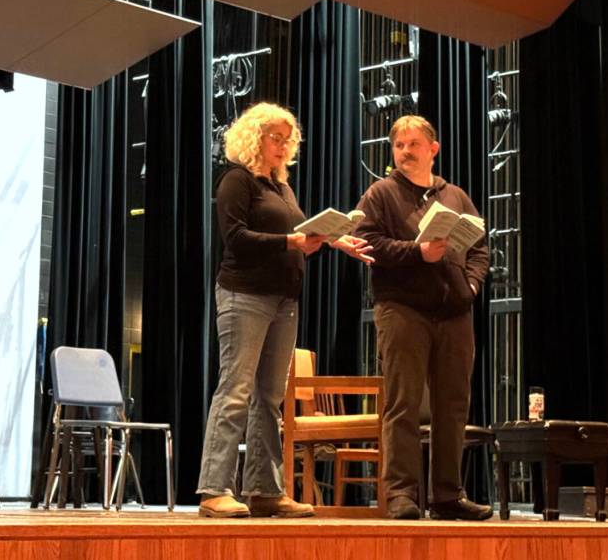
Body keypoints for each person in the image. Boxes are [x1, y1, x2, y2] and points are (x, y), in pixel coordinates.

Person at [197, 102, 373, 518]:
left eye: (287, 139)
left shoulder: (283, 188)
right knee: (236, 390)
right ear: (254, 137)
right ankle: (213, 488)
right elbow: (236, 238)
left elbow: (295, 231)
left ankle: (263, 489)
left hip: (284, 299)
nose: (282, 145)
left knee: (270, 398)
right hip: (245, 295)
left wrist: (333, 240)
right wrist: (292, 243)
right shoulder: (237, 181)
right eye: (275, 137)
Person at [355, 114, 491, 521]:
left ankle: (448, 495)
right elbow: (366, 243)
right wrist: (418, 253)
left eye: (414, 144)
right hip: (403, 308)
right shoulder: (381, 194)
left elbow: (480, 248)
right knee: (404, 403)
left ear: (433, 149)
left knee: (452, 405)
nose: (405, 152)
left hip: (454, 312)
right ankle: (401, 494)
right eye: (398, 145)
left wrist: (470, 287)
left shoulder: (455, 196)